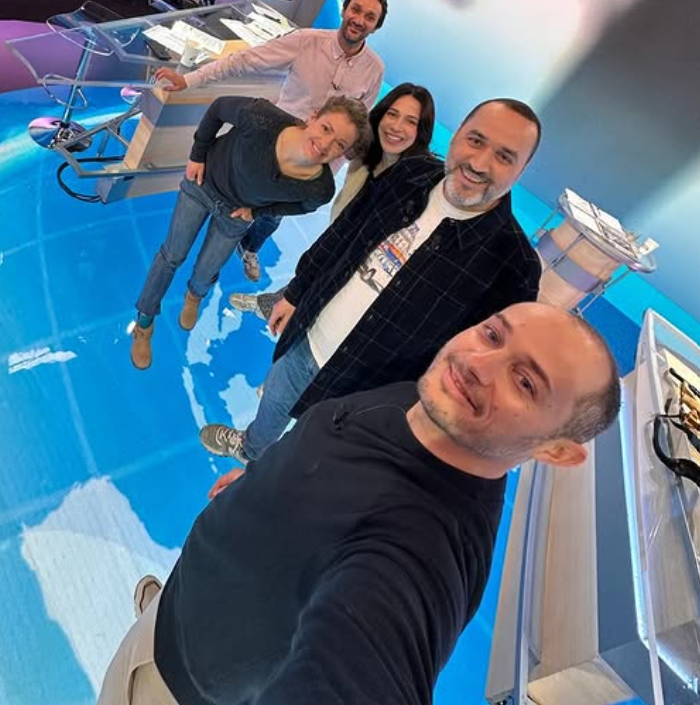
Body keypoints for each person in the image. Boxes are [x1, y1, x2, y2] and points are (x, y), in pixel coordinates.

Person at [97, 302, 622, 705]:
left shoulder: (421, 547)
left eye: (525, 382)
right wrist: (265, 477)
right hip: (192, 593)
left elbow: (364, 665)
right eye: (492, 334)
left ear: (556, 451)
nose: (477, 365)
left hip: (178, 678)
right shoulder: (426, 400)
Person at [200, 97, 543, 463]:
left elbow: (475, 368)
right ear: (457, 134)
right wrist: (296, 294)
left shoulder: (514, 267)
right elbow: (343, 234)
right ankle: (250, 449)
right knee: (272, 404)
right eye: (475, 140)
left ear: (521, 171)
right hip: (307, 342)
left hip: (365, 397)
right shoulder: (409, 174)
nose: (479, 163)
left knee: (314, 460)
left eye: (504, 157)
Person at [153, 0, 388, 282]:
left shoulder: (374, 70)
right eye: (356, 9)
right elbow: (246, 60)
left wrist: (325, 174)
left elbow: (356, 127)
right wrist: (190, 80)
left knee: (272, 216)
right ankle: (206, 261)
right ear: (345, 9)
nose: (359, 20)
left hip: (311, 165)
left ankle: (249, 248)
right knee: (235, 205)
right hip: (273, 146)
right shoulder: (306, 41)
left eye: (370, 17)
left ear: (376, 26)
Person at [129, 94, 370, 370]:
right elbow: (218, 108)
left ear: (344, 154)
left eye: (340, 144)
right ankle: (144, 322)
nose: (325, 144)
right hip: (202, 186)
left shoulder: (320, 188)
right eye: (326, 128)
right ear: (313, 117)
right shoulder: (262, 118)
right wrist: (197, 154)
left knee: (207, 270)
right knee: (171, 256)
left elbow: (302, 206)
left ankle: (193, 296)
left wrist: (257, 212)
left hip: (235, 216)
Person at [230, 81, 436, 321]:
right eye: (392, 114)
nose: (397, 126)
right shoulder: (366, 154)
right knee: (312, 275)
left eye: (411, 121)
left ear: (421, 130)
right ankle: (271, 305)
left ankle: (273, 306)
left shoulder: (418, 182)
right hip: (338, 242)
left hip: (369, 273)